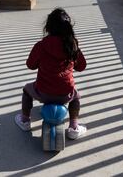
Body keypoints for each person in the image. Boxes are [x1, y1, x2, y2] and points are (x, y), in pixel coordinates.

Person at [15, 8, 87, 140]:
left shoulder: (41, 45)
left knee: (26, 89)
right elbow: (81, 66)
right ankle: (74, 127)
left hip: (43, 92)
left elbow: (30, 65)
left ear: (48, 27)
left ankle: (25, 120)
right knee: (76, 97)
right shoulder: (72, 45)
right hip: (66, 94)